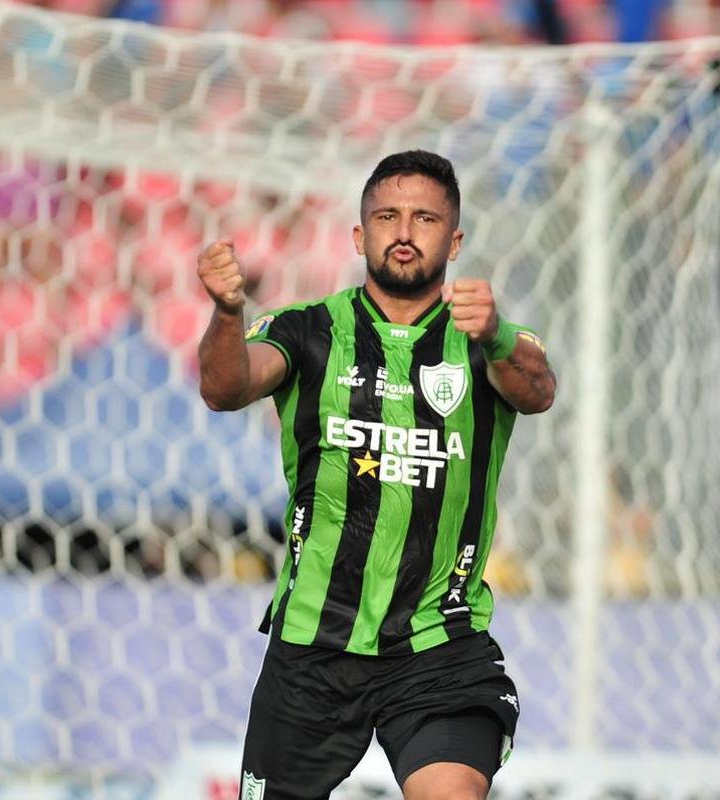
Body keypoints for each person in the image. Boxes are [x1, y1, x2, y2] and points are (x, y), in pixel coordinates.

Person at [196, 150, 556, 800]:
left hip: (438, 642)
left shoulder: (492, 341)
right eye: (387, 215)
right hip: (314, 641)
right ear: (360, 235)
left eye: (425, 217)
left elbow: (538, 391)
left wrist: (498, 337)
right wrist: (226, 313)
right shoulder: (309, 329)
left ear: (455, 238)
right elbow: (226, 388)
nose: (404, 231)